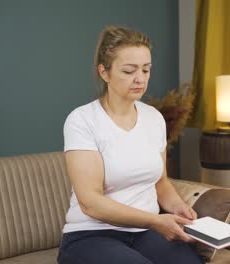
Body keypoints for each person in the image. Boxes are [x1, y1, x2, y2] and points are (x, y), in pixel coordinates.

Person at [57, 25, 204, 264]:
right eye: (129, 70)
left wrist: (178, 207)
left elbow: (161, 183)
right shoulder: (82, 120)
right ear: (104, 72)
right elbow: (90, 203)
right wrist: (155, 220)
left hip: (145, 234)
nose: (140, 79)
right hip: (91, 236)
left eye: (146, 70)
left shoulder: (154, 118)